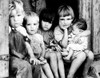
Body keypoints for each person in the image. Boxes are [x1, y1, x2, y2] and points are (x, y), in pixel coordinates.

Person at [54, 5, 94, 78]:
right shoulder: (57, 30)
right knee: (82, 55)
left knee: (91, 55)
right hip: (66, 54)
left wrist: (79, 35)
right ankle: (70, 75)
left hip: (76, 51)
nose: (65, 22)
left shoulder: (73, 25)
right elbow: (64, 44)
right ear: (58, 20)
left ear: (72, 19)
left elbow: (88, 31)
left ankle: (84, 74)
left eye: (68, 19)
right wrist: (65, 30)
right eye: (62, 19)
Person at [9, 0, 41, 78]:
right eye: (12, 16)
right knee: (24, 66)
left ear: (23, 15)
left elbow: (27, 44)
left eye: (18, 15)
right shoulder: (8, 29)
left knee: (36, 66)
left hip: (23, 56)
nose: (15, 19)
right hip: (11, 58)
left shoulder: (22, 30)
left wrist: (32, 56)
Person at [24, 11, 54, 78]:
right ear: (25, 25)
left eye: (34, 24)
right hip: (31, 60)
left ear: (38, 25)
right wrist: (37, 60)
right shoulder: (26, 36)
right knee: (40, 71)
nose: (32, 27)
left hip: (39, 58)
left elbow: (43, 47)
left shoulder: (39, 36)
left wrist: (42, 57)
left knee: (46, 65)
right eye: (29, 24)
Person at [38, 8, 65, 78]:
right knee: (53, 55)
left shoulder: (51, 32)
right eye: (44, 21)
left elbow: (52, 42)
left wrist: (55, 46)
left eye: (49, 22)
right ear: (40, 20)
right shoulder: (38, 31)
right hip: (41, 52)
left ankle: (62, 76)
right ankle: (56, 76)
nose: (46, 24)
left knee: (58, 54)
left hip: (48, 50)